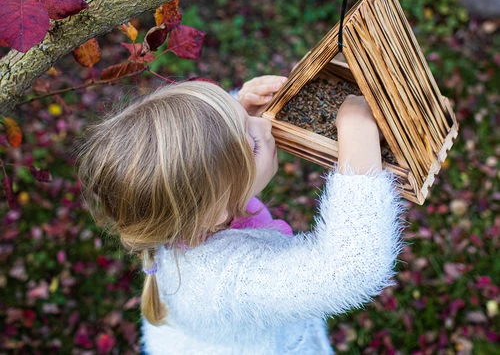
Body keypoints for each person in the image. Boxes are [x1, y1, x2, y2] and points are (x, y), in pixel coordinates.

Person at [76, 75, 406, 354]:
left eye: (245, 117)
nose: (263, 123)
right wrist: (358, 134)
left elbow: (203, 162)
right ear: (213, 207)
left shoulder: (182, 211)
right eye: (252, 142)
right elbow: (347, 270)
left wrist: (238, 109)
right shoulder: (231, 282)